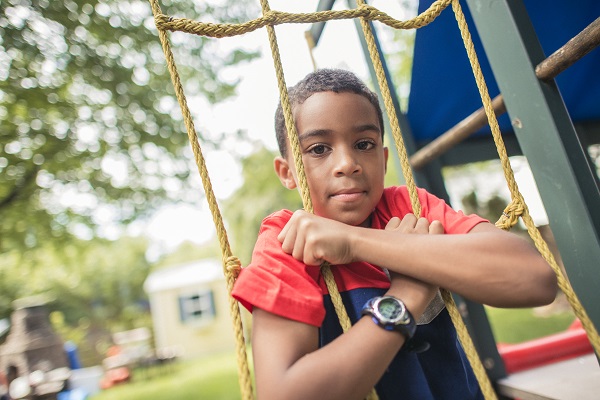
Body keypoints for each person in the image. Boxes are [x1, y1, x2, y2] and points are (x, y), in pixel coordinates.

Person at [231, 68, 557, 400]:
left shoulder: (409, 207)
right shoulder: (285, 244)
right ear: (287, 173)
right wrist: (407, 295)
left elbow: (536, 279)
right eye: (318, 149)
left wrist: (354, 242)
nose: (347, 163)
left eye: (363, 144)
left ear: (383, 159)